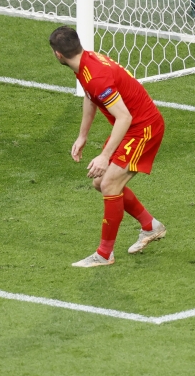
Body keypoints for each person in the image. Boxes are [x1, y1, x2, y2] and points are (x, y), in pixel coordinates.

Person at [49, 26, 168, 267]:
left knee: (109, 183)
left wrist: (104, 156)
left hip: (143, 128)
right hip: (132, 127)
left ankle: (104, 254)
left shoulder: (96, 76)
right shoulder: (86, 62)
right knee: (99, 183)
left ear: (58, 55)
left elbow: (124, 117)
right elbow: (90, 96)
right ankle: (150, 226)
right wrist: (82, 136)